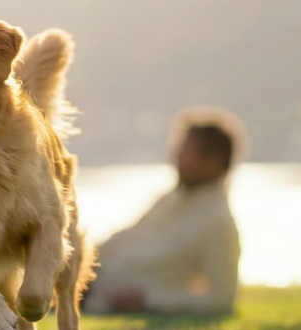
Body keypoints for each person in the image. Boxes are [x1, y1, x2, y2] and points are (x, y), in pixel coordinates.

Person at [84, 108, 245, 315]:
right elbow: (126, 237)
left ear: (214, 161)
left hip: (103, 298)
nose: (178, 156)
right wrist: (82, 255)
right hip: (89, 279)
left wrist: (146, 298)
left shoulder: (218, 221)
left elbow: (221, 298)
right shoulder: (171, 199)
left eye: (188, 150)